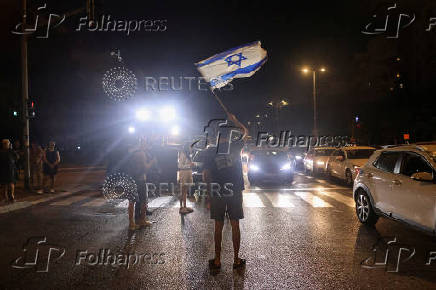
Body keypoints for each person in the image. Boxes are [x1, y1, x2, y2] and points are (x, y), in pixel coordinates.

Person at [203, 113, 248, 270]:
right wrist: (236, 121)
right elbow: (245, 132)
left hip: (217, 191)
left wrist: (208, 196)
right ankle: (236, 260)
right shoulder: (235, 147)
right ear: (229, 136)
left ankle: (217, 260)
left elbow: (206, 175)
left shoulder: (210, 151)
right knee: (235, 224)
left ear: (216, 136)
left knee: (218, 225)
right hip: (234, 190)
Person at [128, 138, 154, 230]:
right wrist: (152, 162)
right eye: (146, 143)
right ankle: (142, 220)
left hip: (131, 179)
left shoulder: (132, 152)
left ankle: (131, 223)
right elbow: (145, 168)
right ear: (142, 144)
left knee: (131, 201)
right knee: (143, 201)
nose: (147, 146)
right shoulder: (142, 153)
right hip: (140, 179)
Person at [178, 143, 194, 214]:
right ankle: (182, 207)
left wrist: (192, 165)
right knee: (183, 191)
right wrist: (189, 165)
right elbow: (180, 166)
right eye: (191, 147)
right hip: (184, 173)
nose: (192, 149)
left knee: (185, 191)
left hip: (187, 172)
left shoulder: (188, 155)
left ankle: (184, 206)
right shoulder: (182, 154)